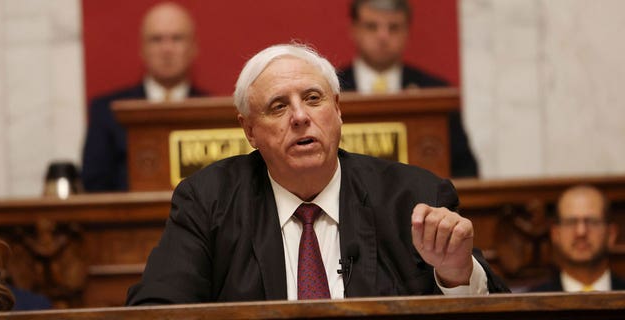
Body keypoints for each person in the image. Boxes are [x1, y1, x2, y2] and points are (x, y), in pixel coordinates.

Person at [126, 43, 509, 305]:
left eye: (313, 98)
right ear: (249, 131)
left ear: (338, 110)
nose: (300, 116)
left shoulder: (412, 197)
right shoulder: (208, 201)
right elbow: (157, 307)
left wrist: (457, 274)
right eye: (278, 106)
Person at [337, 0, 479, 177]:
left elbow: (466, 171)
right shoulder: (332, 91)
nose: (383, 36)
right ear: (354, 29)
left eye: (394, 27)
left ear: (407, 32)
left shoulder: (434, 94)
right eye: (372, 27)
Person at [82, 1, 205, 192]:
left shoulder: (212, 112)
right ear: (142, 49)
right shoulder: (108, 112)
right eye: (156, 39)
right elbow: (94, 186)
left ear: (193, 48)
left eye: (177, 39)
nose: (167, 49)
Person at [529, 185, 625, 292]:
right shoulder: (528, 302)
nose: (581, 232)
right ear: (555, 234)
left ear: (611, 234)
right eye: (571, 222)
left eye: (592, 222)